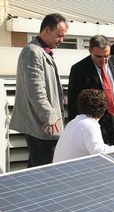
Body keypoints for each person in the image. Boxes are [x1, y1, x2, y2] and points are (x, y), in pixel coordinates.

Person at [9, 13, 68, 167]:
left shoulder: (41, 51)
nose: (61, 40)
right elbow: (35, 90)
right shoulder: (33, 52)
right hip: (42, 125)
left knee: (36, 170)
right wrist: (50, 116)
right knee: (45, 172)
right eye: (59, 35)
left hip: (44, 124)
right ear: (47, 30)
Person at [68, 35, 114, 146]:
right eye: (99, 56)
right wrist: (74, 126)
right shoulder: (79, 69)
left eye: (107, 56)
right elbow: (74, 100)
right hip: (95, 119)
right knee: (100, 153)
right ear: (90, 50)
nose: (104, 60)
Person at [54, 89, 114, 162]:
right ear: (103, 109)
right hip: (71, 177)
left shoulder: (73, 122)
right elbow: (100, 152)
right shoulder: (89, 125)